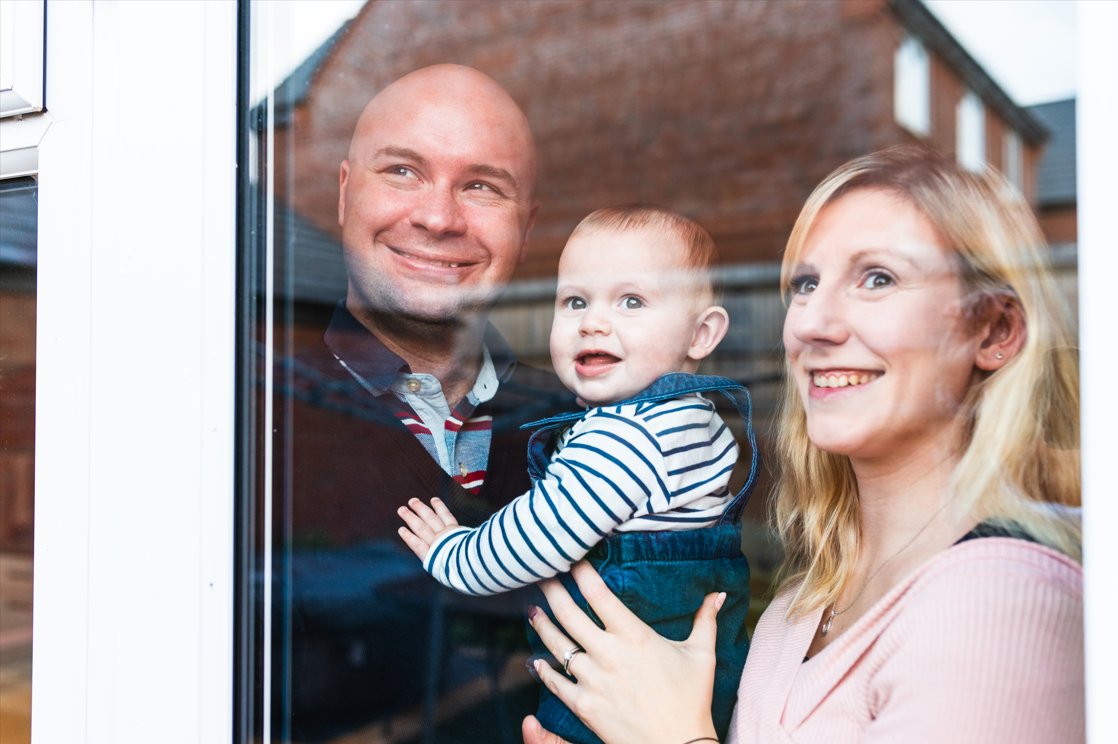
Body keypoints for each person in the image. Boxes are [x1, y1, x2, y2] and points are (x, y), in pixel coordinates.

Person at [520, 146, 1084, 744]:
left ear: (992, 330)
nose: (812, 322)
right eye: (807, 283)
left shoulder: (1004, 606)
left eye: (877, 278)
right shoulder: (800, 603)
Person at [277, 65, 573, 735]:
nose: (439, 217)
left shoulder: (581, 428)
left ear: (526, 229)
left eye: (480, 186)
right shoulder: (247, 417)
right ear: (347, 192)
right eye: (403, 172)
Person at [396, 205, 760, 744]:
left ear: (701, 335)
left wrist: (454, 553)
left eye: (631, 301)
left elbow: (537, 537)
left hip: (617, 701)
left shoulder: (626, 438)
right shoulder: (693, 417)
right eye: (575, 301)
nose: (592, 321)